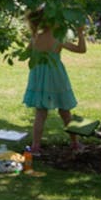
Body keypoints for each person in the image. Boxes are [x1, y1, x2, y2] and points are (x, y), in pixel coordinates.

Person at [24, 8, 86, 153]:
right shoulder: (58, 38)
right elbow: (81, 49)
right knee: (65, 111)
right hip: (57, 77)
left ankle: (35, 146)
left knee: (40, 112)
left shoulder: (35, 38)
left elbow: (26, 54)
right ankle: (75, 143)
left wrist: (34, 36)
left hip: (39, 77)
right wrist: (81, 33)